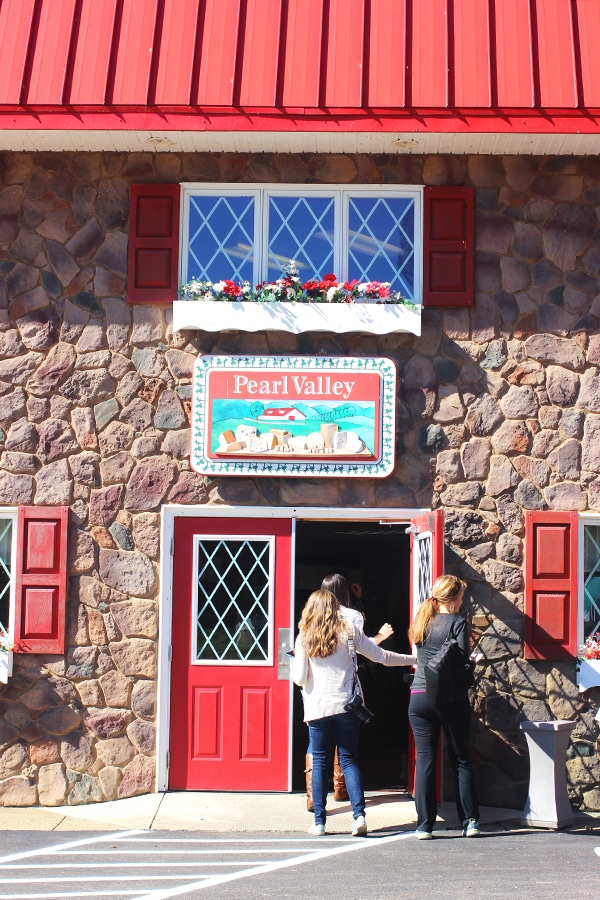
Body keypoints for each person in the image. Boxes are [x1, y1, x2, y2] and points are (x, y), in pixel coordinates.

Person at [292, 588, 416, 837]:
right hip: (347, 706)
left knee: (319, 762)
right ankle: (359, 817)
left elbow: (298, 678)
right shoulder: (349, 631)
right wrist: (414, 659)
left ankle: (319, 822)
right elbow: (382, 657)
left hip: (318, 708)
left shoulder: (304, 636)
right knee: (348, 760)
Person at [304, 572, 394, 810]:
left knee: (317, 748)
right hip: (345, 689)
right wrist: (380, 636)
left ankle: (314, 797)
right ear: (345, 591)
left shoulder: (313, 618)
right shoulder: (352, 615)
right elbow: (360, 646)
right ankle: (341, 790)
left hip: (318, 693)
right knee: (346, 753)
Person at [407, 574, 480, 840]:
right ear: (452, 598)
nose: (463, 602)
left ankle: (423, 825)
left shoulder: (422, 620)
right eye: (461, 597)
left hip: (419, 696)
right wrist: (473, 662)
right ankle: (469, 821)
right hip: (448, 698)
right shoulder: (458, 623)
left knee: (425, 760)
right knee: (461, 759)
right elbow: (460, 665)